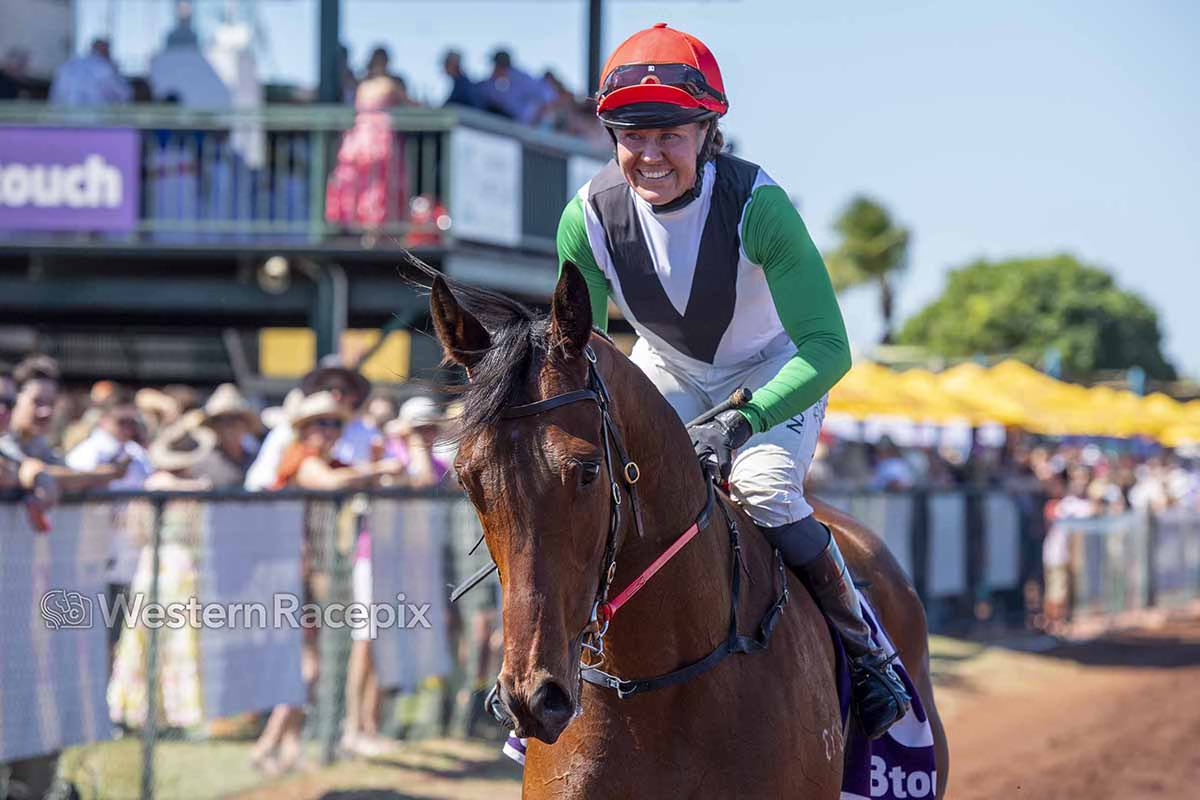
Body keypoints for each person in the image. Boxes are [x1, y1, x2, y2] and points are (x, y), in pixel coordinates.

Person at [554, 23, 908, 738]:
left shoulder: (759, 205)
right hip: (669, 366)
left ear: (708, 129)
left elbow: (829, 348)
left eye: (670, 135)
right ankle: (559, 661)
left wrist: (743, 420)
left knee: (763, 487)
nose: (649, 155)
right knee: (590, 483)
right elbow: (578, 350)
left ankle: (868, 653)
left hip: (774, 367)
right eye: (631, 136)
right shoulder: (584, 218)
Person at [325, 46, 410, 235]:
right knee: (380, 185)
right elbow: (409, 104)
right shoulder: (389, 85)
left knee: (360, 184)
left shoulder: (362, 85)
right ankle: (376, 228)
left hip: (359, 139)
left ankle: (355, 224)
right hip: (380, 139)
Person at [193, 384, 260, 487]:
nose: (229, 428)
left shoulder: (258, 459)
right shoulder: (204, 463)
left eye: (235, 419)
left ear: (245, 425)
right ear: (215, 427)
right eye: (221, 421)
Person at [476, 49, 555, 124]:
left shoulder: (521, 78)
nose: (494, 69)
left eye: (497, 66)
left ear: (502, 66)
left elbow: (547, 96)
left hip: (516, 123)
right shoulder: (491, 82)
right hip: (495, 116)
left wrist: (535, 122)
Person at [48, 38, 132, 107]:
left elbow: (54, 99)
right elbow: (125, 94)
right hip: (96, 123)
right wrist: (115, 70)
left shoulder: (67, 65)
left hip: (65, 122)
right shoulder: (104, 68)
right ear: (105, 51)